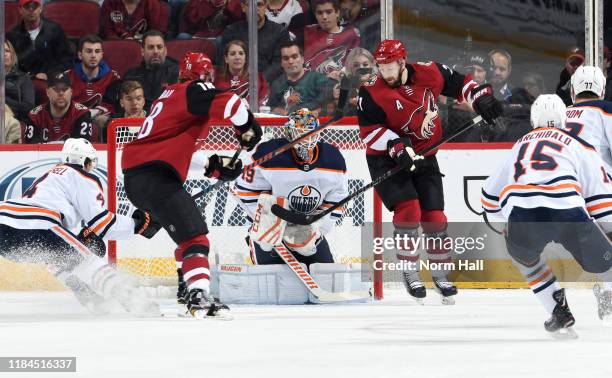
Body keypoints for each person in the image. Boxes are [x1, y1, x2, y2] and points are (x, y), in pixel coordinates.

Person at [356, 39, 502, 303]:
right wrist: (397, 146)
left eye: (390, 67)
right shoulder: (370, 92)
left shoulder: (429, 72)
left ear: (403, 62)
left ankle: (439, 274)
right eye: (381, 68)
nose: (386, 74)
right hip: (387, 159)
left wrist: (481, 98)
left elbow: (462, 84)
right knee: (409, 209)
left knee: (434, 216)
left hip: (425, 155)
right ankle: (410, 271)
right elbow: (369, 133)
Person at [121, 52, 263, 317]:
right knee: (195, 239)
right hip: (156, 178)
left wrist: (213, 167)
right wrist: (249, 126)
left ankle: (185, 288)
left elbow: (174, 149)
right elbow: (232, 102)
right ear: (205, 75)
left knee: (184, 238)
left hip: (137, 179)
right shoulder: (194, 89)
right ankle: (199, 295)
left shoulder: (169, 97)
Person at [481, 94, 612, 336]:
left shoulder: (519, 144)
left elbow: (488, 197)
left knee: (525, 258)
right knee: (607, 261)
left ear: (533, 119)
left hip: (524, 215)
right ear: (564, 119)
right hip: (567, 211)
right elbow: (601, 200)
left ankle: (557, 310)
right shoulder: (578, 143)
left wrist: (505, 224)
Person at [0, 138, 161, 314]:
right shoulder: (82, 176)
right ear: (85, 161)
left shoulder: (49, 177)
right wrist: (137, 225)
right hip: (39, 222)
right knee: (87, 260)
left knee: (59, 256)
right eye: (91, 162)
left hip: (5, 225)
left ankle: (87, 297)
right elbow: (102, 224)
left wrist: (82, 290)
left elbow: (56, 254)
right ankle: (134, 301)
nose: (92, 166)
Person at [235, 108, 347, 266]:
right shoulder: (268, 154)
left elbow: (337, 201)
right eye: (300, 134)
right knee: (268, 260)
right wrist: (270, 222)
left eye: (311, 133)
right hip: (270, 224)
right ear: (288, 134)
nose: (306, 139)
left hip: (305, 223)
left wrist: (318, 229)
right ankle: (268, 237)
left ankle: (304, 239)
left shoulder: (333, 159)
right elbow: (247, 191)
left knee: (324, 269)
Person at [219, 0, 292, 83]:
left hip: (268, 85)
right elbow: (223, 62)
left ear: (265, 6)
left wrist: (258, 80)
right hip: (236, 83)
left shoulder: (280, 32)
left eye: (259, 4)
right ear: (243, 7)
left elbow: (280, 64)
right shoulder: (231, 31)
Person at [65, 34, 122, 129]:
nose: (93, 55)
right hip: (73, 123)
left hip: (102, 125)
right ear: (80, 55)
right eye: (89, 51)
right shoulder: (67, 77)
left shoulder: (113, 78)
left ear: (102, 54)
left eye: (97, 51)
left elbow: (115, 107)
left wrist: (96, 112)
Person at [6, 0, 72, 80]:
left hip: (51, 80)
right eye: (27, 6)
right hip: (23, 82)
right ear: (20, 10)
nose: (31, 10)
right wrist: (31, 76)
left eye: (34, 6)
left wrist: (49, 74)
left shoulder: (54, 30)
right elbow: (10, 65)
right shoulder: (13, 35)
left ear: (40, 8)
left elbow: (66, 60)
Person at [24, 72, 98, 143]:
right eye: (56, 89)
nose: (61, 93)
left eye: (65, 89)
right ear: (47, 92)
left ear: (71, 92)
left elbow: (82, 146)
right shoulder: (35, 115)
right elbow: (30, 147)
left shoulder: (82, 113)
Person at [269, 41, 333, 115]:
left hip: (314, 124)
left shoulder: (319, 80)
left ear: (302, 59)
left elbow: (328, 106)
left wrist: (312, 113)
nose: (290, 61)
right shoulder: (277, 84)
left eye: (294, 57)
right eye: (286, 58)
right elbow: (270, 108)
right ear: (281, 63)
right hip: (285, 124)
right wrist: (286, 113)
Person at [565, 65, 612, 166]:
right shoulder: (606, 110)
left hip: (566, 179)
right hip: (598, 179)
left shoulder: (561, 114)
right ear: (602, 91)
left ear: (572, 90)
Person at [303, 0, 361, 82]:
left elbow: (357, 63)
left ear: (337, 12)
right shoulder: (307, 32)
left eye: (328, 12)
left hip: (339, 83)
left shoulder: (351, 34)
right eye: (319, 13)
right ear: (315, 15)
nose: (324, 17)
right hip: (310, 86)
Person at [124, 30, 179, 112]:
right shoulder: (131, 76)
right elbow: (124, 105)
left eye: (159, 47)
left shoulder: (177, 73)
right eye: (151, 47)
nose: (156, 51)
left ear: (165, 51)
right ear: (142, 51)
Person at [214, 40, 269, 106]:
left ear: (245, 58)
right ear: (226, 59)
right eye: (232, 54)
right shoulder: (216, 78)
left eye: (241, 53)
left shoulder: (257, 78)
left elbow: (263, 104)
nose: (237, 57)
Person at [100, 0, 164, 40]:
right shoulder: (110, 2)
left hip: (142, 47)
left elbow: (154, 32)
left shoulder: (152, 4)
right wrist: (124, 42)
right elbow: (107, 31)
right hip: (115, 46)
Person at [178, 0, 243, 39]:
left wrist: (229, 3)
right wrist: (206, 3)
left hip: (221, 38)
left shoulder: (235, 2)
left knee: (220, 40)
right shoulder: (198, 2)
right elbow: (191, 21)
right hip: (199, 36)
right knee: (183, 36)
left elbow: (239, 20)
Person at [4, 40, 34, 123]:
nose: (4, 54)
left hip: (15, 122)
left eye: (7, 51)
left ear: (12, 55)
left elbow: (29, 108)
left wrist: (3, 99)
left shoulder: (23, 78)